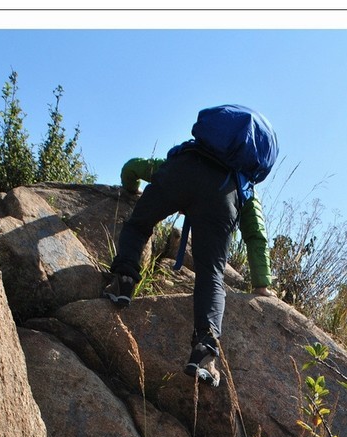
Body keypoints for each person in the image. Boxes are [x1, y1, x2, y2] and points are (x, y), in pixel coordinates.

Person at [106, 114, 276, 388]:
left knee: (138, 225)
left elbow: (135, 166)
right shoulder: (243, 186)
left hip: (181, 174)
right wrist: (261, 284)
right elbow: (256, 237)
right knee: (211, 274)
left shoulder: (187, 154)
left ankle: (122, 280)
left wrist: (130, 188)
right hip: (223, 198)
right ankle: (205, 352)